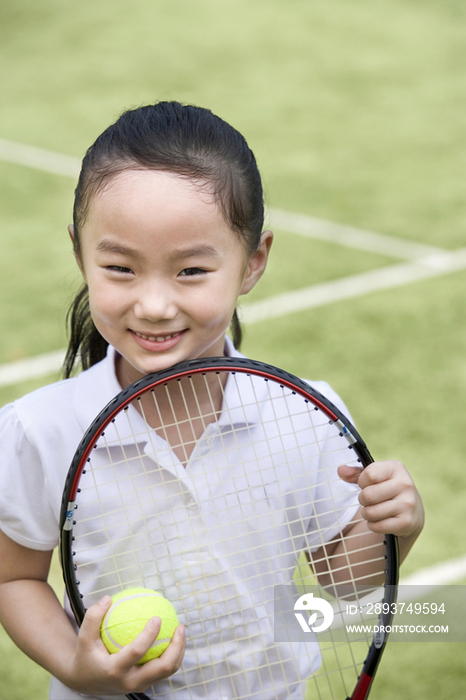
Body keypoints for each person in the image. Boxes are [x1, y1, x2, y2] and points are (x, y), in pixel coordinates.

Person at [0, 101, 424, 699]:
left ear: (252, 263)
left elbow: (344, 578)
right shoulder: (38, 428)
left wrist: (398, 528)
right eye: (120, 267)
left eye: (191, 271)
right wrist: (75, 666)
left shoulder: (306, 412)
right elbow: (12, 578)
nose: (153, 304)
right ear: (79, 254)